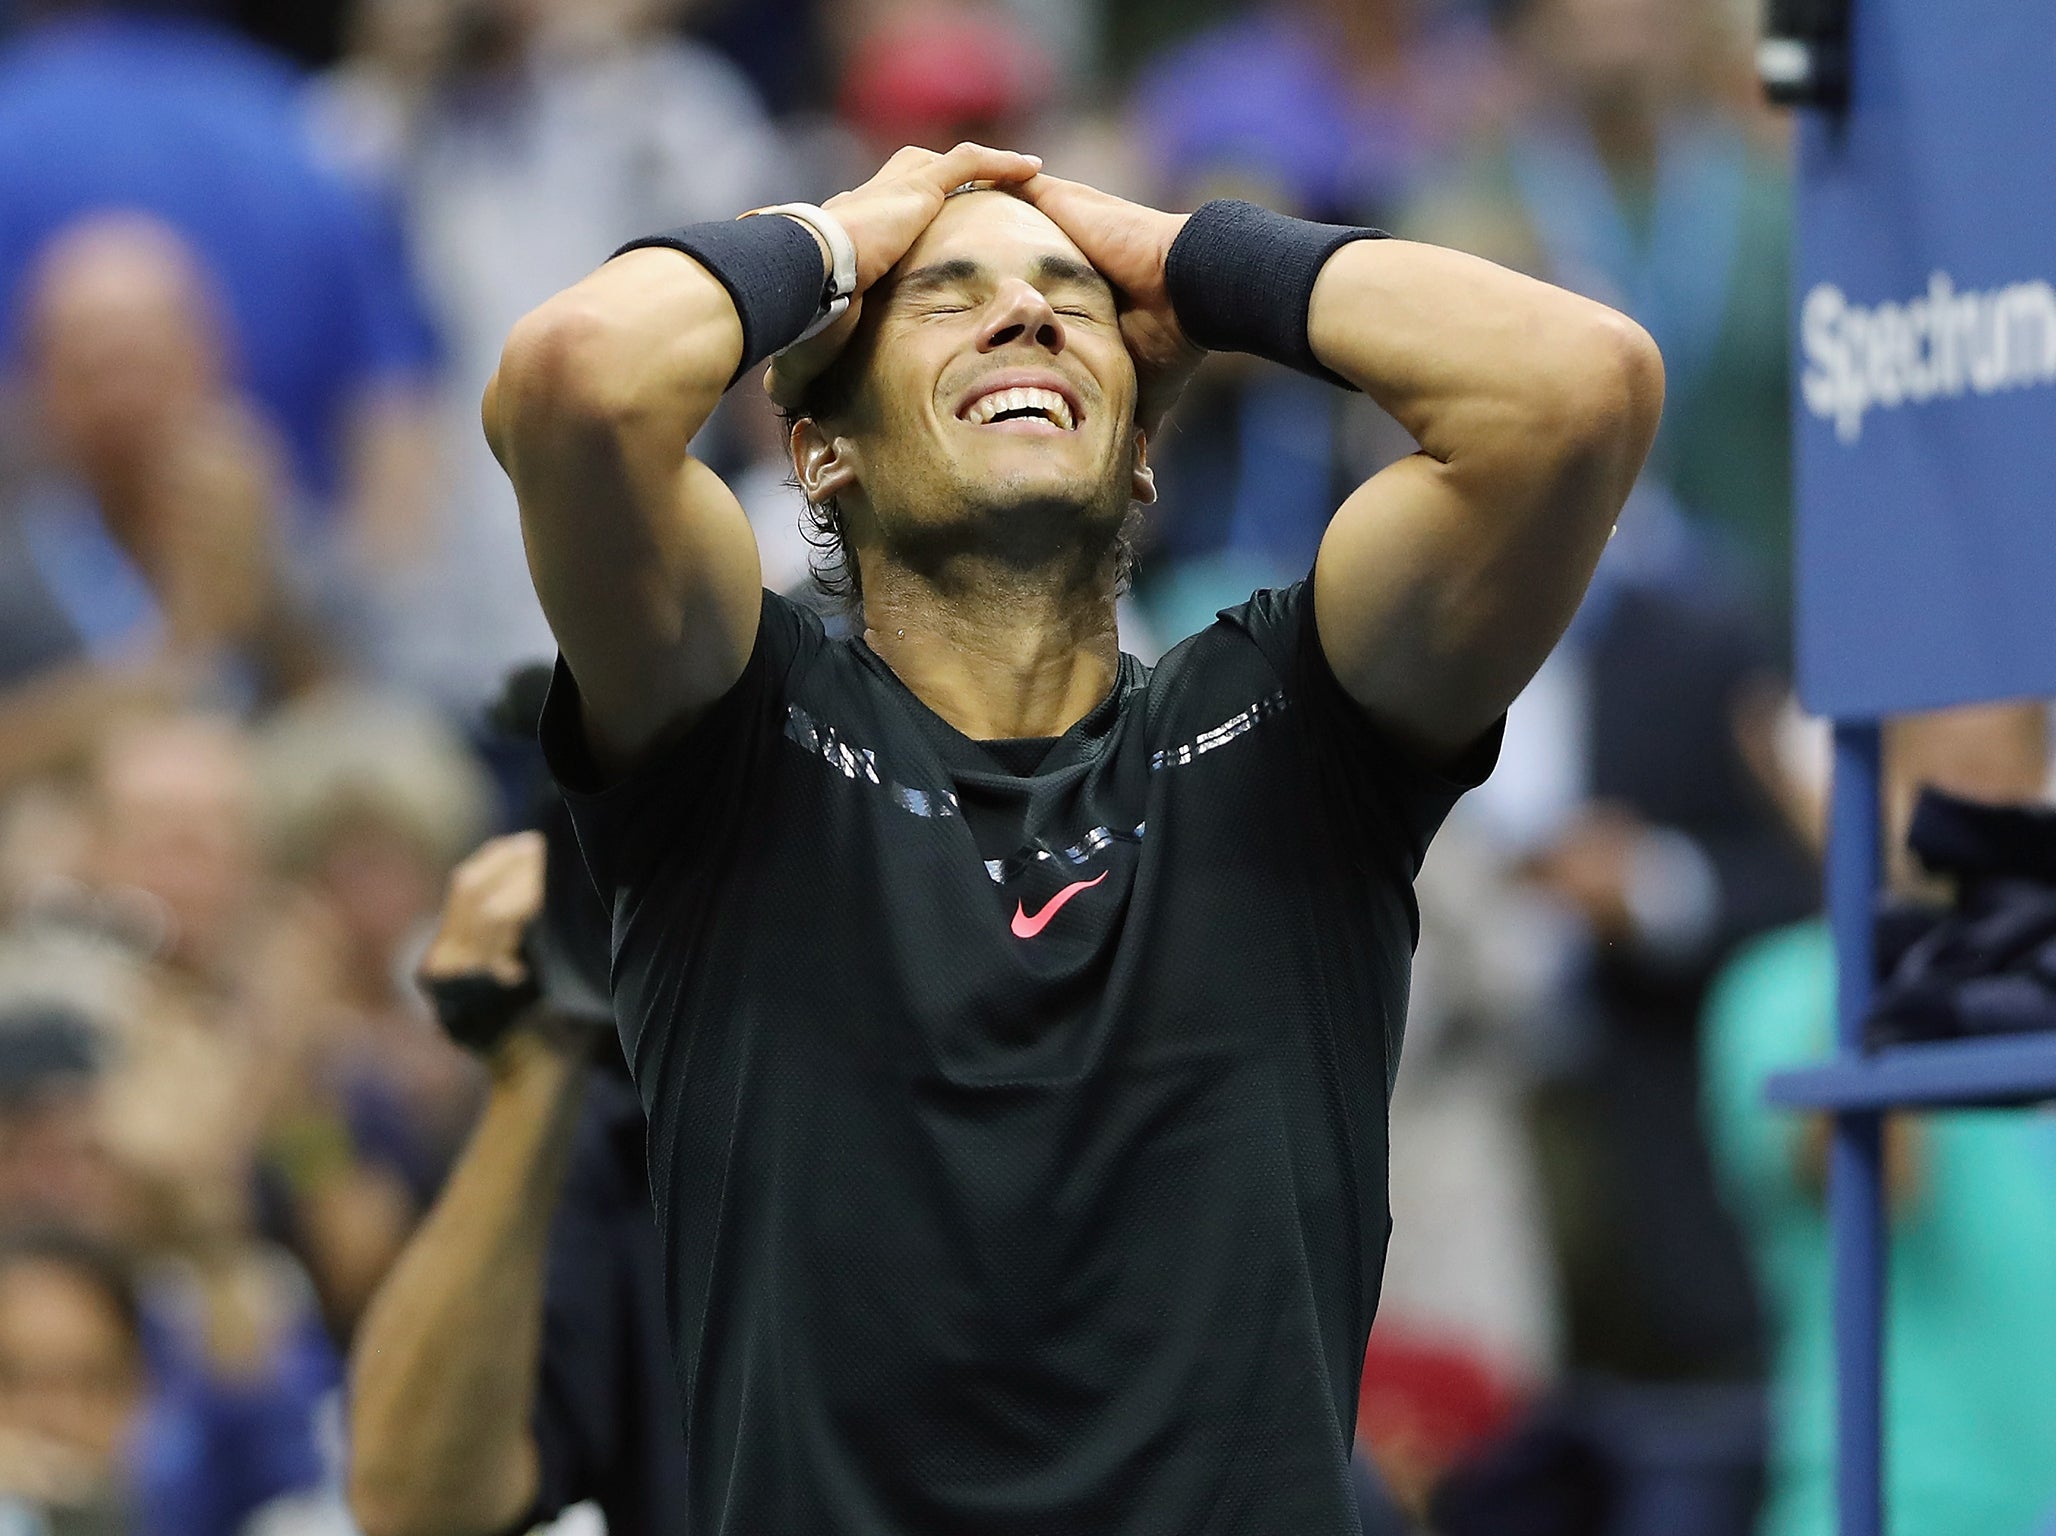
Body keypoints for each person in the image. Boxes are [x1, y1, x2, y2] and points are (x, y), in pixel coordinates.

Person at [486, 141, 1661, 1531]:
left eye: (1068, 295)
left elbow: (1579, 389)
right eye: (949, 296)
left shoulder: (1292, 732)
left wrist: (1185, 259)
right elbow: (574, 381)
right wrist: (846, 234)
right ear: (820, 447)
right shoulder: (733, 733)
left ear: (1145, 448)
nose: (1028, 313)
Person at [1703, 702, 2056, 1536]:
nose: (1967, 798)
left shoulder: (2039, 984)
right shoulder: (1775, 993)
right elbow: (1883, 1177)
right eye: (1937, 764)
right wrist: (1872, 894)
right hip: (1887, 1510)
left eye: (1994, 764)